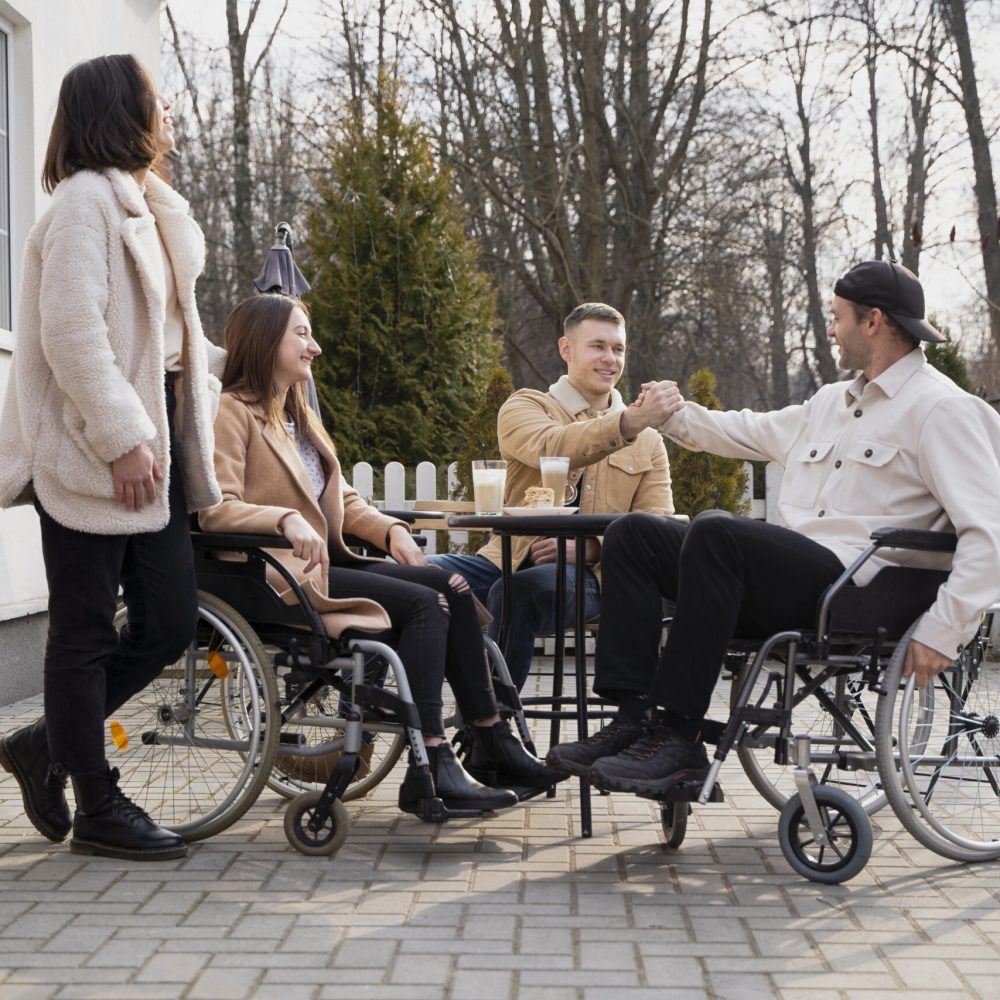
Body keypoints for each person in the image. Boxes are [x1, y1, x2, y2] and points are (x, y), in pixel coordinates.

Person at [547, 260, 1000, 797]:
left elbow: (988, 533)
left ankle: (679, 738)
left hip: (862, 588)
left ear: (873, 321)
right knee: (633, 534)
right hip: (798, 576)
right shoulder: (833, 402)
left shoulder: (942, 409)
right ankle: (634, 719)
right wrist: (668, 414)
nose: (830, 329)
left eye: (837, 318)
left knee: (718, 533)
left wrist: (943, 630)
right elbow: (749, 430)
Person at [199, 294, 564, 816]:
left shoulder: (297, 417)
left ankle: (490, 739)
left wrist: (389, 531)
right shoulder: (231, 413)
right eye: (301, 334)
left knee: (447, 584)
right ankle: (431, 764)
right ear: (264, 339)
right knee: (422, 605)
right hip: (275, 577)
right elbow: (217, 509)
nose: (315, 347)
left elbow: (343, 499)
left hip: (327, 563)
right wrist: (281, 518)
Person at [0, 55, 226, 859]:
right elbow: (71, 333)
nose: (170, 107)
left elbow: (162, 338)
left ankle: (47, 745)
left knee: (166, 621)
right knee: (85, 629)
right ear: (117, 110)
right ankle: (97, 804)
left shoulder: (142, 202)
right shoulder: (85, 204)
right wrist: (123, 437)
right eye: (155, 95)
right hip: (98, 443)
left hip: (150, 433)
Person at [429, 302, 674, 690]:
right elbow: (552, 445)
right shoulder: (525, 406)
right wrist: (627, 423)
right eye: (597, 346)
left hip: (595, 580)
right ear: (566, 350)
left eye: (618, 349)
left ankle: (492, 731)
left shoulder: (648, 441)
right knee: (411, 575)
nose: (609, 359)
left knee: (519, 593)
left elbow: (658, 527)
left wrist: (594, 548)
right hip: (506, 560)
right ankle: (366, 724)